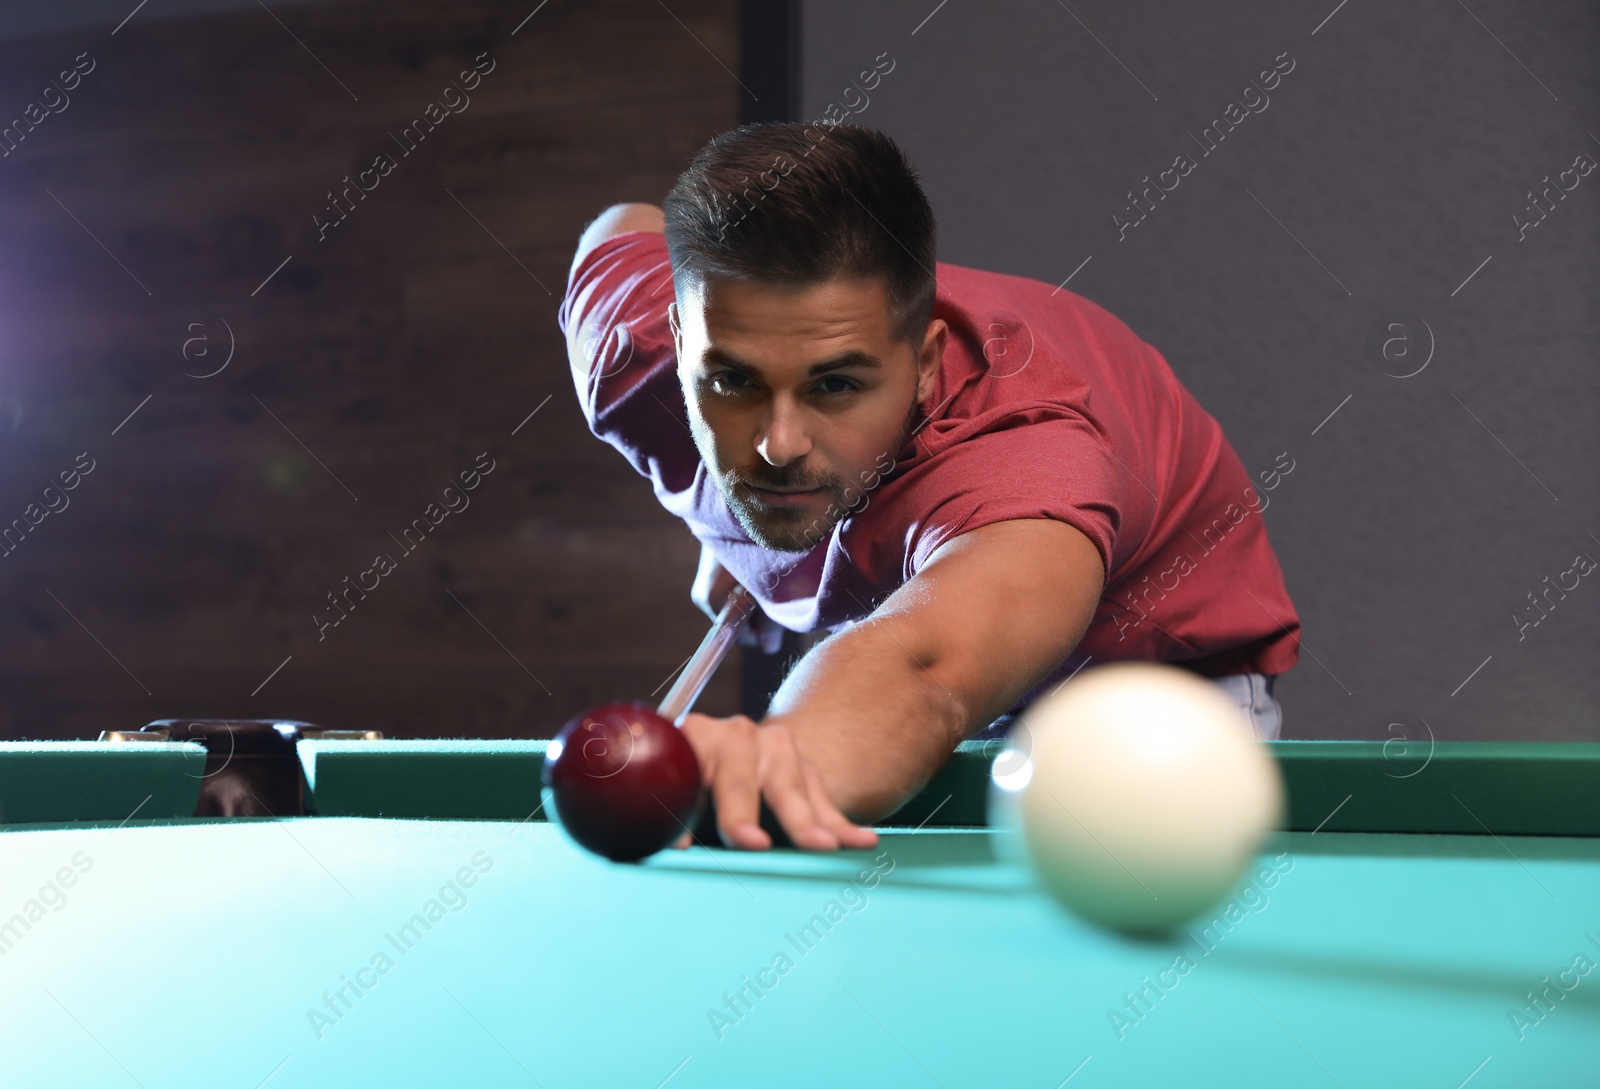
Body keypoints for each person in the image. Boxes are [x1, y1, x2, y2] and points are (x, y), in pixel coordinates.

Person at [558, 122, 1299, 853]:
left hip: (1147, 696)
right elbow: (624, 227)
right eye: (732, 380)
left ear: (925, 363)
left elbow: (927, 670)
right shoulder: (629, 352)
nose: (777, 446)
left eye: (837, 384)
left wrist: (781, 759)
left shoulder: (1025, 454)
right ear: (679, 342)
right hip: (919, 640)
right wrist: (724, 523)